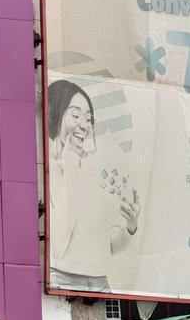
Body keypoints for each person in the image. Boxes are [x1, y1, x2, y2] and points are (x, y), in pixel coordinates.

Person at [47, 79, 140, 292]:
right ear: (55, 114)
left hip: (100, 281)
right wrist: (71, 164)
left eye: (88, 119)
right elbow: (58, 244)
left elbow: (110, 247)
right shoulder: (49, 168)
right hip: (61, 278)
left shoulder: (95, 168)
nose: (84, 125)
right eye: (76, 116)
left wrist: (131, 226)